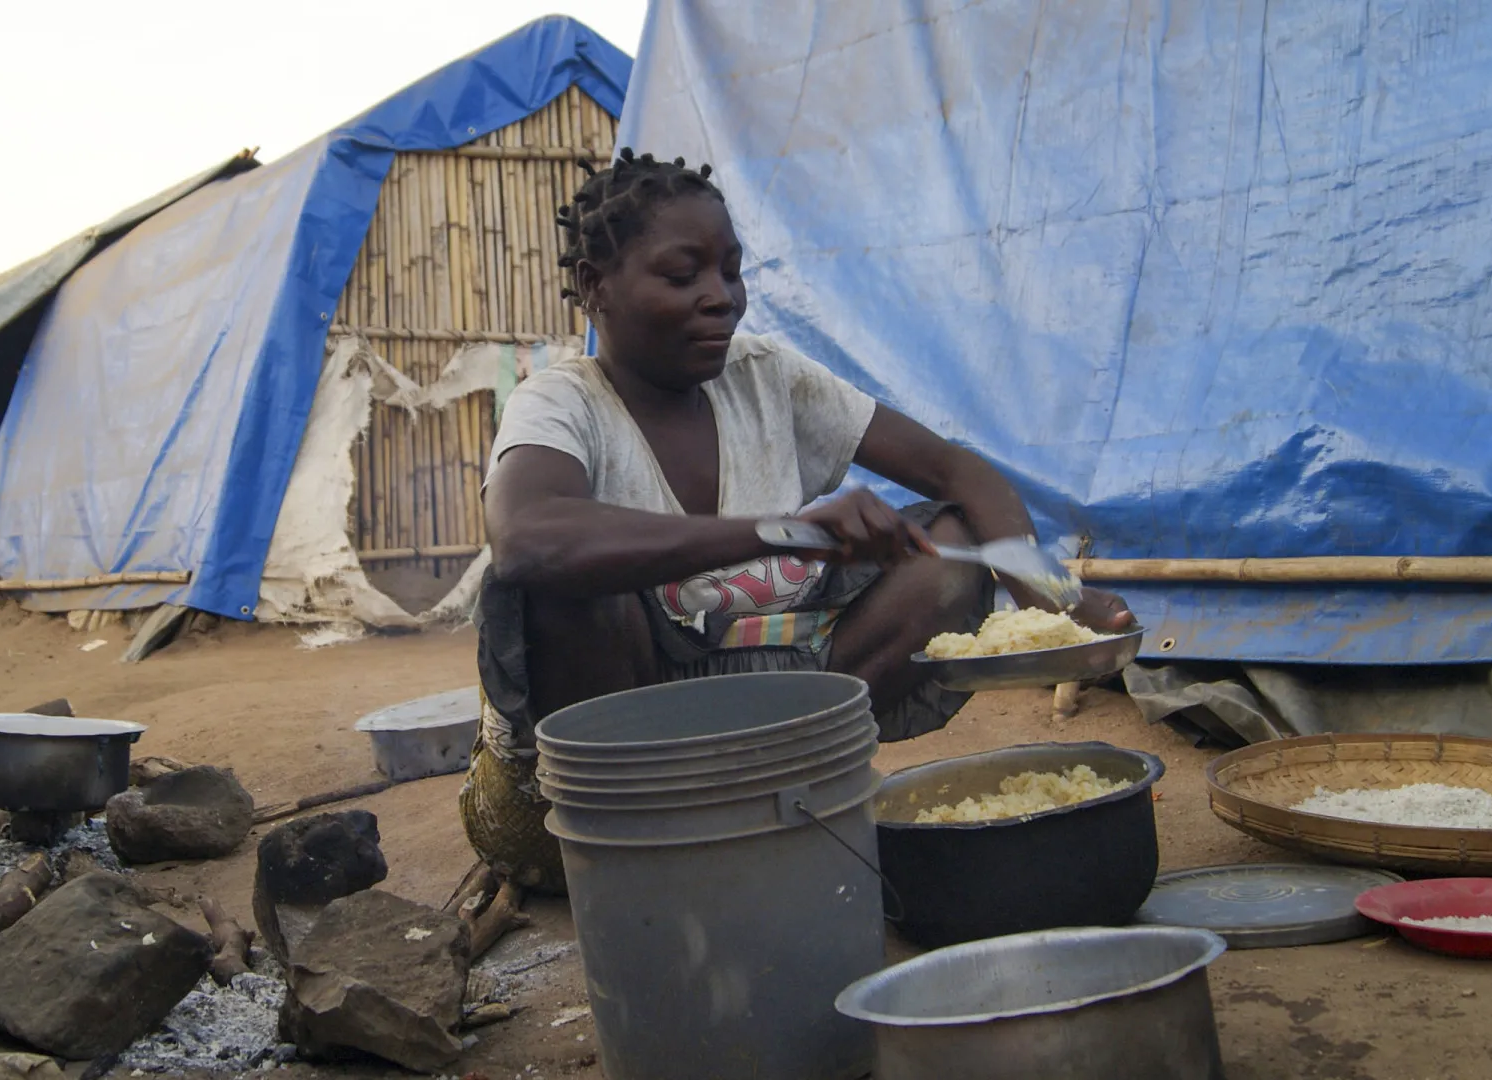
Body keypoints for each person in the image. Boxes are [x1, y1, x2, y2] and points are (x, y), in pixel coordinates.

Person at [458, 149, 1134, 897]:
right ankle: (662, 849)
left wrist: (1053, 593)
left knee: (947, 549)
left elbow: (957, 473)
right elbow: (526, 539)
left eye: (731, 271)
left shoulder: (764, 377)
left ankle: (783, 791)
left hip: (763, 730)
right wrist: (780, 530)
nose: (721, 298)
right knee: (571, 580)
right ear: (595, 287)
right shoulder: (563, 404)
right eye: (683, 276)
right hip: (603, 786)